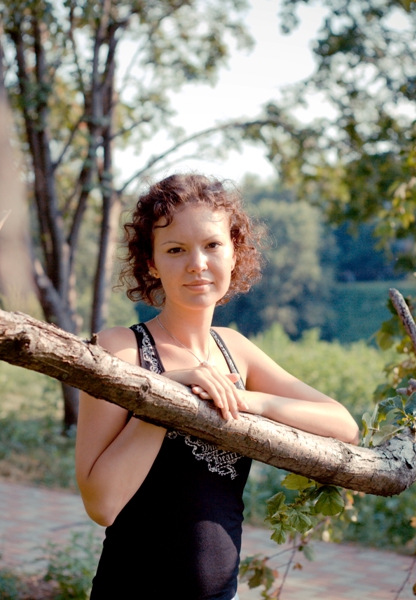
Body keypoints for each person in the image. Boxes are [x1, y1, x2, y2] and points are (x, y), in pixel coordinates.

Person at [75, 173, 360, 600]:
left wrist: (248, 401)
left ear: (234, 252)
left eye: (212, 245)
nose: (197, 264)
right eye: (175, 250)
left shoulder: (235, 351)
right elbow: (102, 505)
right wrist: (166, 398)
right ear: (151, 262)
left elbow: (344, 426)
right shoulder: (121, 350)